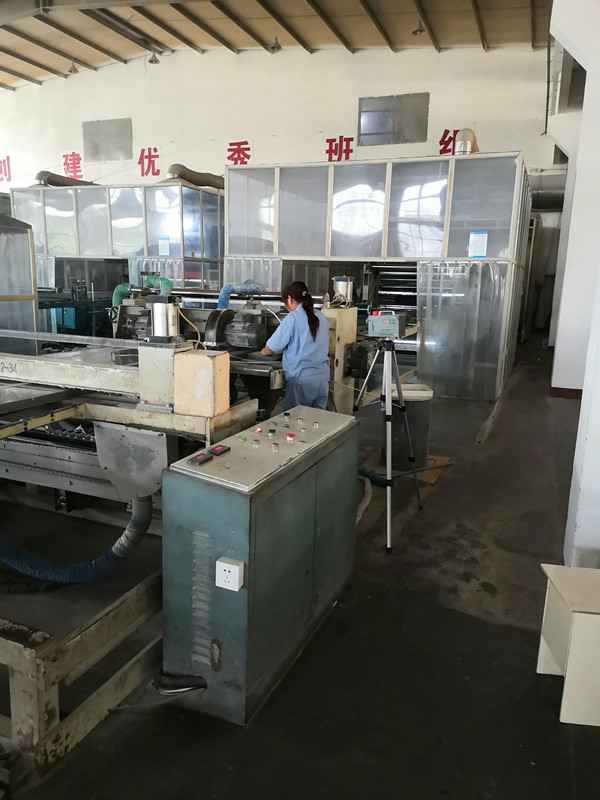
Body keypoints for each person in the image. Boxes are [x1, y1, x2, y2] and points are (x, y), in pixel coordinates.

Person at [261, 281, 330, 410]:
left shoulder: (292, 318)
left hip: (301, 381)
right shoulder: (322, 317)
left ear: (290, 298)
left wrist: (262, 351)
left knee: (294, 420)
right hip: (322, 379)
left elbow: (271, 349)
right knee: (317, 419)